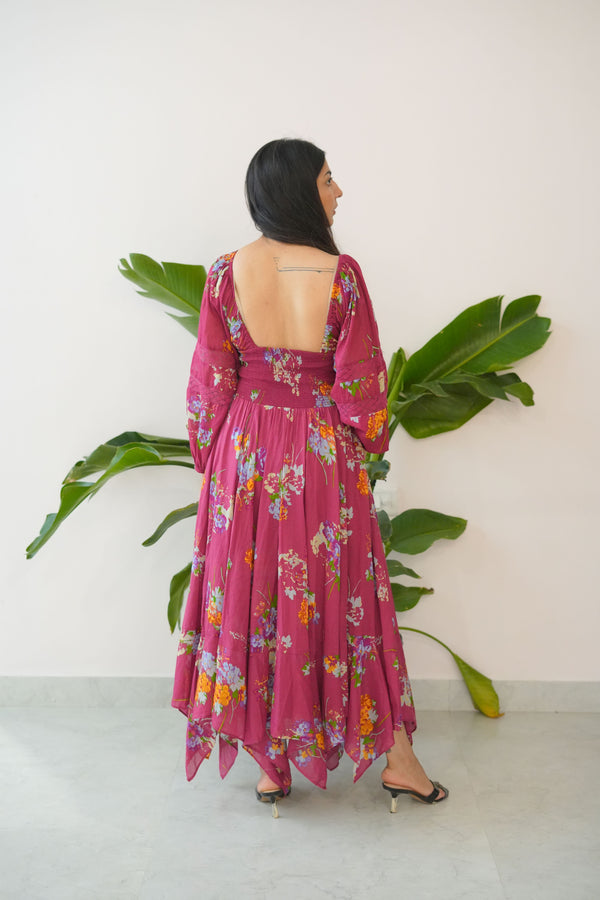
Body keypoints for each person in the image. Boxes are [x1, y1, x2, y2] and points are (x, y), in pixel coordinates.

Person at [172, 138, 447, 817]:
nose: (339, 191)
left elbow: (210, 384)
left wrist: (216, 463)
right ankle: (400, 762)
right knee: (350, 600)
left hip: (246, 450)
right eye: (329, 179)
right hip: (322, 453)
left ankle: (272, 767)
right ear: (299, 189)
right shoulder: (342, 275)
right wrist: (366, 445)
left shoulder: (224, 272)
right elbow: (362, 391)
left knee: (253, 597)